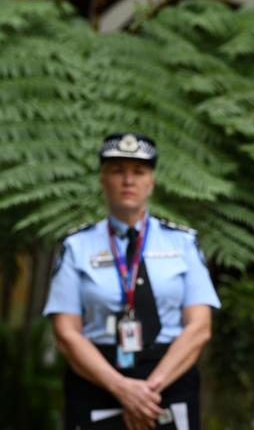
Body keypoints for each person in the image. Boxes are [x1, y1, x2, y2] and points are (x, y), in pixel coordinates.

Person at [43, 133, 220, 430]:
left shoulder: (183, 243)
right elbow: (66, 332)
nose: (128, 181)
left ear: (151, 181)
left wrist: (147, 390)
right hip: (98, 379)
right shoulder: (77, 246)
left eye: (138, 172)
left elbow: (199, 328)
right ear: (102, 179)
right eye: (117, 171)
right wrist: (122, 388)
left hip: (169, 380)